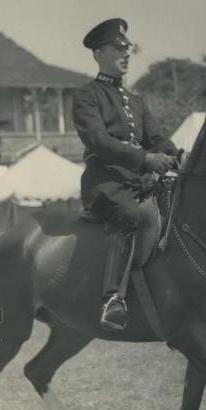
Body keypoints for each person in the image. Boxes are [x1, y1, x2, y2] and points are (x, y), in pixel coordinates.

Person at [72, 18, 179, 331]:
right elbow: (99, 142)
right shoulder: (87, 96)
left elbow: (156, 137)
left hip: (138, 181)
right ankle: (112, 299)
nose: (126, 54)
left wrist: (173, 155)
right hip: (106, 183)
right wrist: (147, 159)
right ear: (98, 54)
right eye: (117, 48)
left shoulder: (135, 100)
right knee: (130, 214)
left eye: (127, 48)